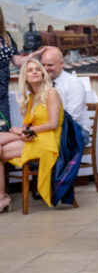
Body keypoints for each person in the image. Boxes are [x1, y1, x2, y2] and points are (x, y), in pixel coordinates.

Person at [0, 59, 64, 211]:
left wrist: (23, 131)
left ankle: (2, 198)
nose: (35, 72)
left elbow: (53, 124)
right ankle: (2, 197)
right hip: (35, 137)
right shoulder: (32, 97)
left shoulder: (51, 93)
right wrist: (23, 131)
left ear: (42, 73)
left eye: (37, 69)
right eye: (30, 70)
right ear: (25, 77)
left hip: (49, 139)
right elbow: (30, 125)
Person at [38, 47, 88, 136]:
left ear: (61, 64)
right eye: (43, 65)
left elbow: (72, 117)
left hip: (75, 131)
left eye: (50, 65)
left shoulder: (73, 83)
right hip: (48, 129)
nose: (45, 69)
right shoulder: (39, 83)